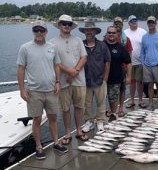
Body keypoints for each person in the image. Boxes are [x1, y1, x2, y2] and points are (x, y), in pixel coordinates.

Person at [17, 20, 68, 160]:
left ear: (46, 32)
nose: (39, 33)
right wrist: (22, 89)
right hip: (34, 91)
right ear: (33, 31)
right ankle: (38, 146)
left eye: (42, 30)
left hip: (51, 90)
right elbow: (21, 69)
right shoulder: (25, 48)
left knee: (53, 118)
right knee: (37, 119)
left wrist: (58, 82)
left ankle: (56, 142)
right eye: (36, 30)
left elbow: (57, 65)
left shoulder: (52, 47)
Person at [50, 14, 88, 144]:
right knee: (65, 109)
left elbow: (84, 57)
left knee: (79, 107)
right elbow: (55, 62)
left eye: (69, 24)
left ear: (71, 27)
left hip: (79, 80)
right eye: (63, 23)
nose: (66, 26)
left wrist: (75, 71)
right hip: (63, 82)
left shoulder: (78, 40)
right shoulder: (52, 43)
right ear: (59, 25)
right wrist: (69, 72)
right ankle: (67, 132)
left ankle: (78, 130)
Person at [79, 22, 110, 133]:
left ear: (95, 32)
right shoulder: (80, 45)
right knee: (86, 103)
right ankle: (89, 121)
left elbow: (107, 62)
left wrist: (105, 78)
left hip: (100, 79)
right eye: (87, 30)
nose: (89, 32)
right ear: (84, 32)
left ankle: (100, 121)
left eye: (91, 30)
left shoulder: (102, 45)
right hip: (85, 80)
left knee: (101, 102)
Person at [140, 16, 158, 109]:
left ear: (155, 23)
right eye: (149, 22)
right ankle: (151, 103)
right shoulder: (144, 37)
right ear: (147, 24)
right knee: (150, 85)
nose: (151, 24)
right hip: (147, 65)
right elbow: (142, 52)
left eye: (152, 22)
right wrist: (143, 62)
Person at [105, 26, 132, 121]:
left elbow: (128, 63)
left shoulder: (121, 47)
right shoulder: (101, 45)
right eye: (109, 32)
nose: (111, 34)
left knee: (114, 98)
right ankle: (110, 113)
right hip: (102, 79)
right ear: (106, 34)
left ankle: (113, 114)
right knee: (104, 99)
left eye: (113, 33)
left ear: (117, 34)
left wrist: (129, 77)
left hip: (116, 78)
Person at [124, 15, 148, 109]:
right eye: (132, 21)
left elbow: (146, 46)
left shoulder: (143, 32)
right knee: (132, 82)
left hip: (140, 62)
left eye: (135, 20)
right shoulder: (124, 32)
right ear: (129, 23)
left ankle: (141, 100)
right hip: (129, 63)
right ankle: (132, 100)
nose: (134, 22)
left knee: (140, 82)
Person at [112, 17, 133, 116]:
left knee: (122, 89)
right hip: (111, 68)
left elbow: (129, 55)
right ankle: (112, 108)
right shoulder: (108, 37)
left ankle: (121, 107)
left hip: (123, 69)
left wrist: (129, 74)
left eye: (119, 23)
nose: (117, 25)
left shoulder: (126, 39)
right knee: (111, 90)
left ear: (122, 25)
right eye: (116, 23)